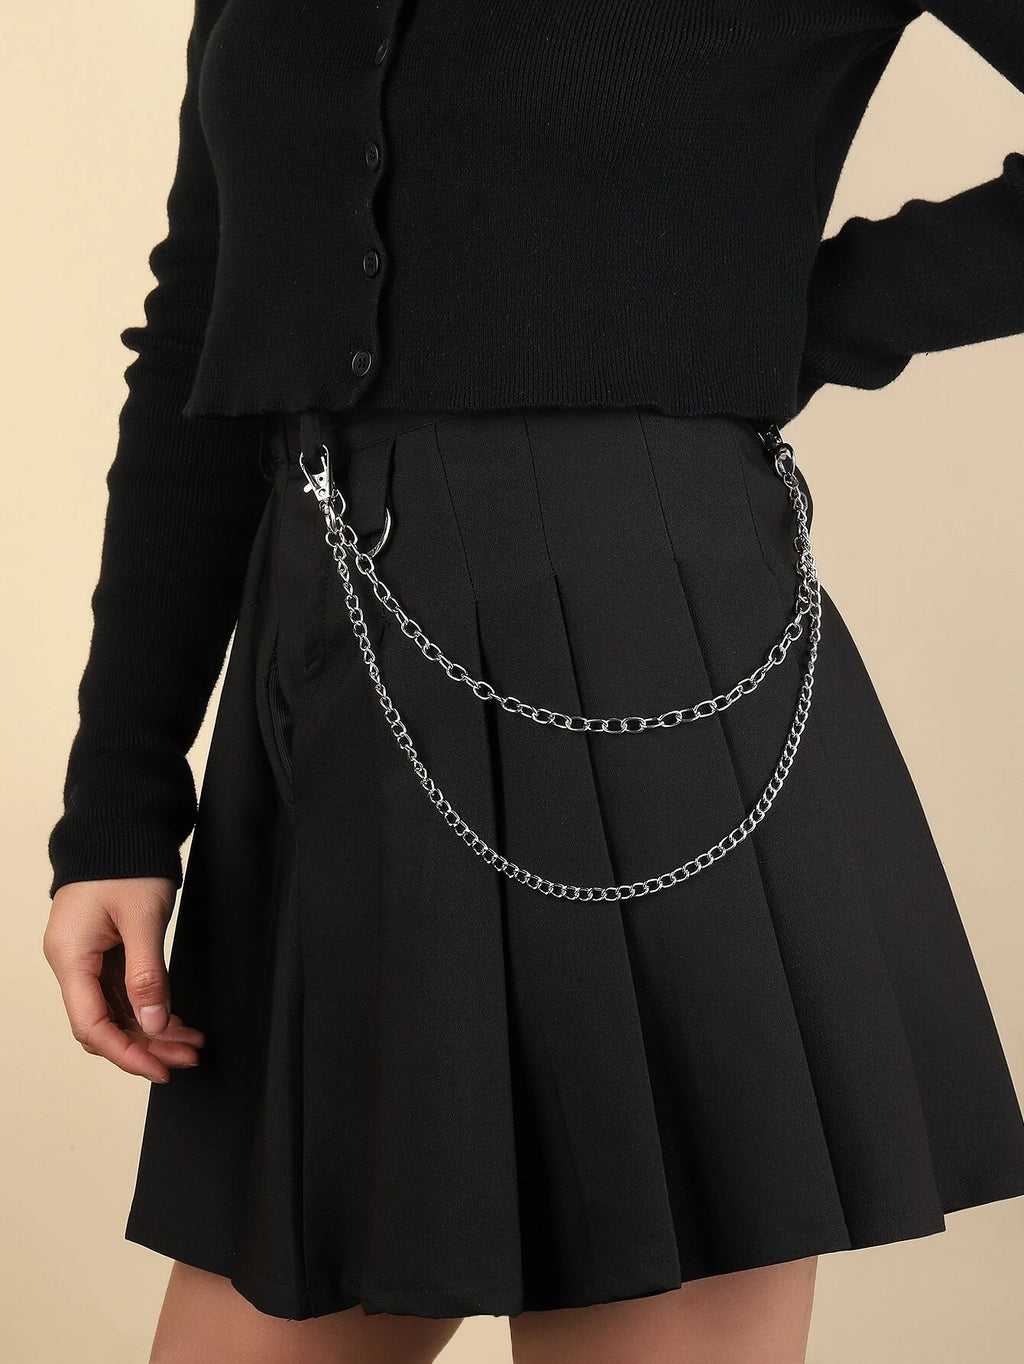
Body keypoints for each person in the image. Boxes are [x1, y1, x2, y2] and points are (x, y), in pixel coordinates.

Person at [43, 3, 1024, 1362]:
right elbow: (202, 322)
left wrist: (790, 320)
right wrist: (121, 794)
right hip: (326, 705)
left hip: (644, 674)